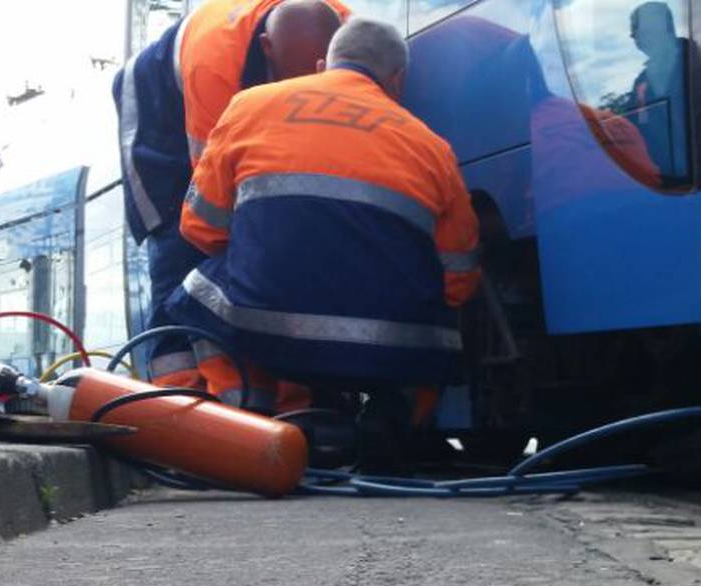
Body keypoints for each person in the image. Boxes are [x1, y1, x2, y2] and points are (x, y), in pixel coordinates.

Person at [167, 17, 481, 417]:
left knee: (195, 289)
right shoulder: (433, 147)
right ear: (397, 79)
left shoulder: (251, 105)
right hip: (392, 351)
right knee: (436, 324)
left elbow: (200, 228)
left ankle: (249, 418)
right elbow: (460, 279)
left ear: (322, 66)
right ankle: (395, 425)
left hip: (268, 332)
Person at [114, 0, 349, 391]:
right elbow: (211, 185)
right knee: (180, 237)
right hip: (160, 116)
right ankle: (178, 388)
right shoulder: (214, 68)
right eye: (289, 80)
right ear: (267, 48)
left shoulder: (348, 30)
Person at [627, 1, 694, 182]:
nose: (639, 38)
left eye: (644, 30)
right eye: (636, 34)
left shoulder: (699, 59)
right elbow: (631, 132)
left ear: (667, 28)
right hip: (661, 184)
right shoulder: (640, 83)